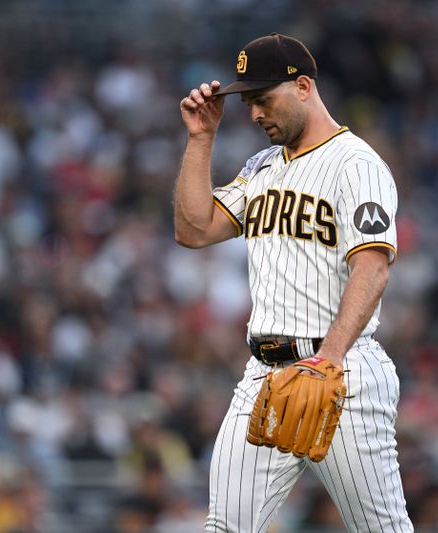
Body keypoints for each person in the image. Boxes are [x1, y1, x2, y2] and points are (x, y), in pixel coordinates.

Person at [174, 33, 413, 532]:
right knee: (225, 525)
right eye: (248, 102)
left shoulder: (357, 165)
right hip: (263, 373)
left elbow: (372, 267)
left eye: (263, 99)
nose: (255, 113)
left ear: (303, 86)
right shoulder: (260, 167)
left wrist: (330, 356)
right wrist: (200, 140)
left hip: (340, 371)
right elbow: (193, 229)